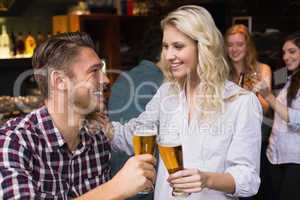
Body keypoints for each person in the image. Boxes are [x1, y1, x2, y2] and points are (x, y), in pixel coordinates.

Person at [103, 5, 262, 199]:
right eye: (166, 46)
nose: (169, 56)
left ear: (203, 46)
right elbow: (134, 135)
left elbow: (248, 178)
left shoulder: (241, 102)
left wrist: (207, 179)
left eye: (178, 46)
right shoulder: (167, 93)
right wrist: (98, 125)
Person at [0, 32, 156, 199]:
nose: (105, 79)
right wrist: (116, 188)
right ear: (59, 81)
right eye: (94, 71)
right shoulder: (14, 142)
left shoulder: (97, 137)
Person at [108, 22, 165, 200]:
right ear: (163, 51)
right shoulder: (165, 86)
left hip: (115, 183)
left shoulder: (123, 78)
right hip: (146, 187)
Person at [224, 24, 273, 200]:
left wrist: (248, 94)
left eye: (239, 44)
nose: (234, 49)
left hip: (254, 137)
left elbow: (266, 106)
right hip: (226, 138)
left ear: (248, 46)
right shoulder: (222, 72)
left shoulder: (262, 69)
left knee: (250, 186)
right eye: (230, 45)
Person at [253, 32, 300, 200]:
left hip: (295, 160)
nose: (286, 57)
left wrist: (268, 96)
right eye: (284, 52)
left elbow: (296, 120)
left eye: (292, 51)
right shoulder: (290, 79)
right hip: (276, 156)